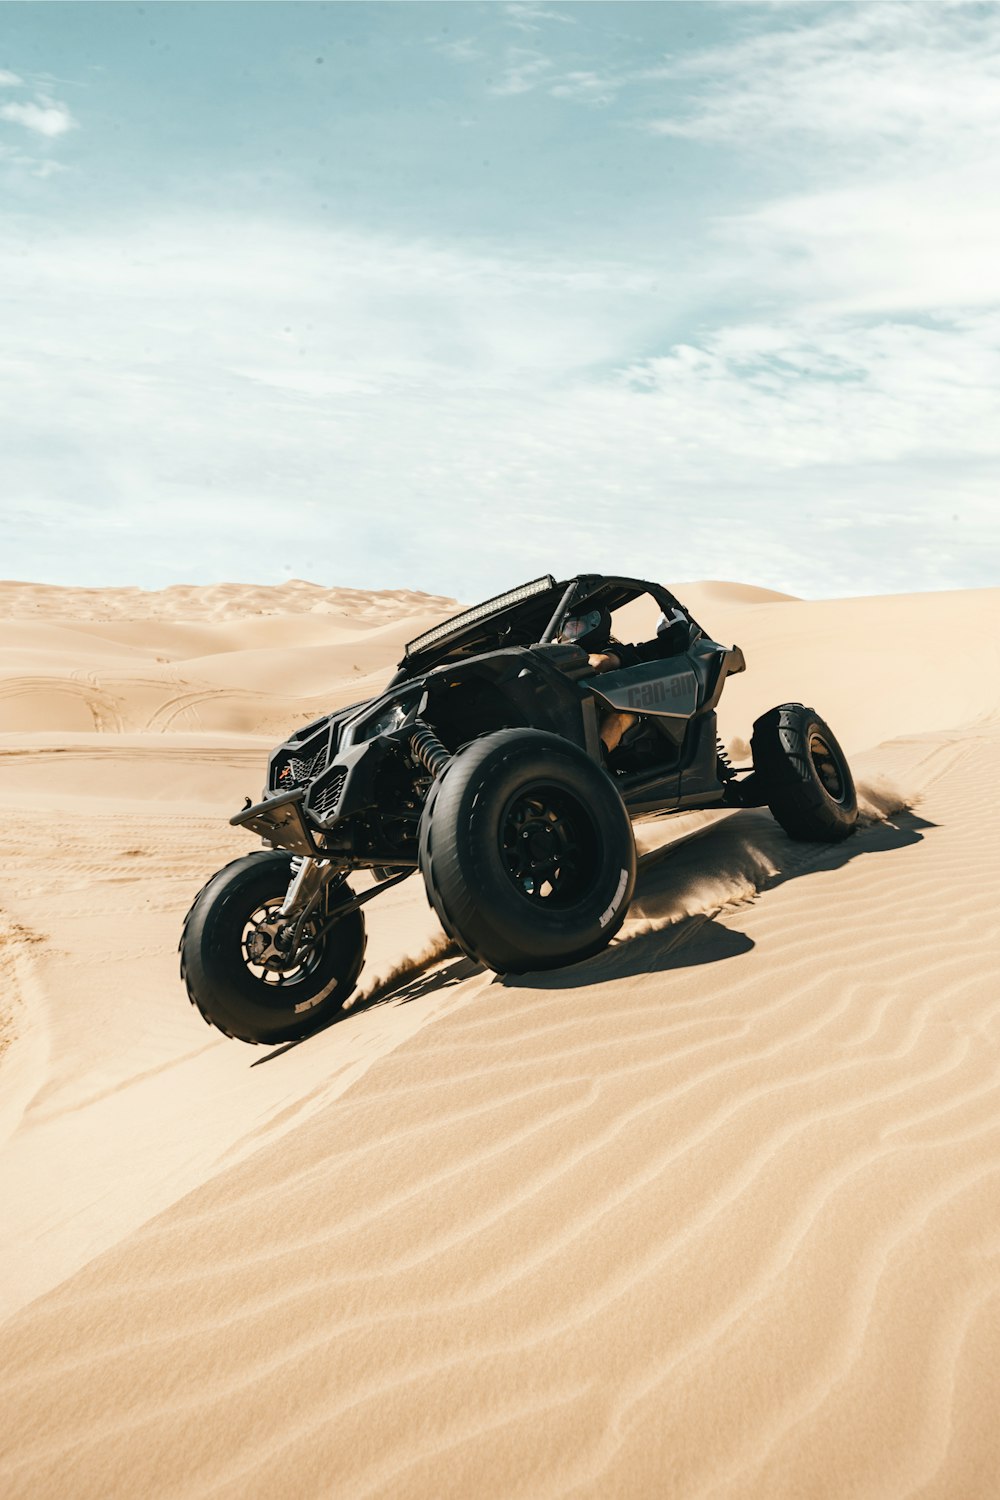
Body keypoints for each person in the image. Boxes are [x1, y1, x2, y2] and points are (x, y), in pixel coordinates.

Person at [559, 605, 692, 755]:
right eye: (567, 629)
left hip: (637, 710)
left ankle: (592, 763)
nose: (569, 634)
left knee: (619, 716)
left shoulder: (615, 650)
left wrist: (563, 659)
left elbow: (601, 663)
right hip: (594, 712)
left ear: (593, 624)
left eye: (575, 627)